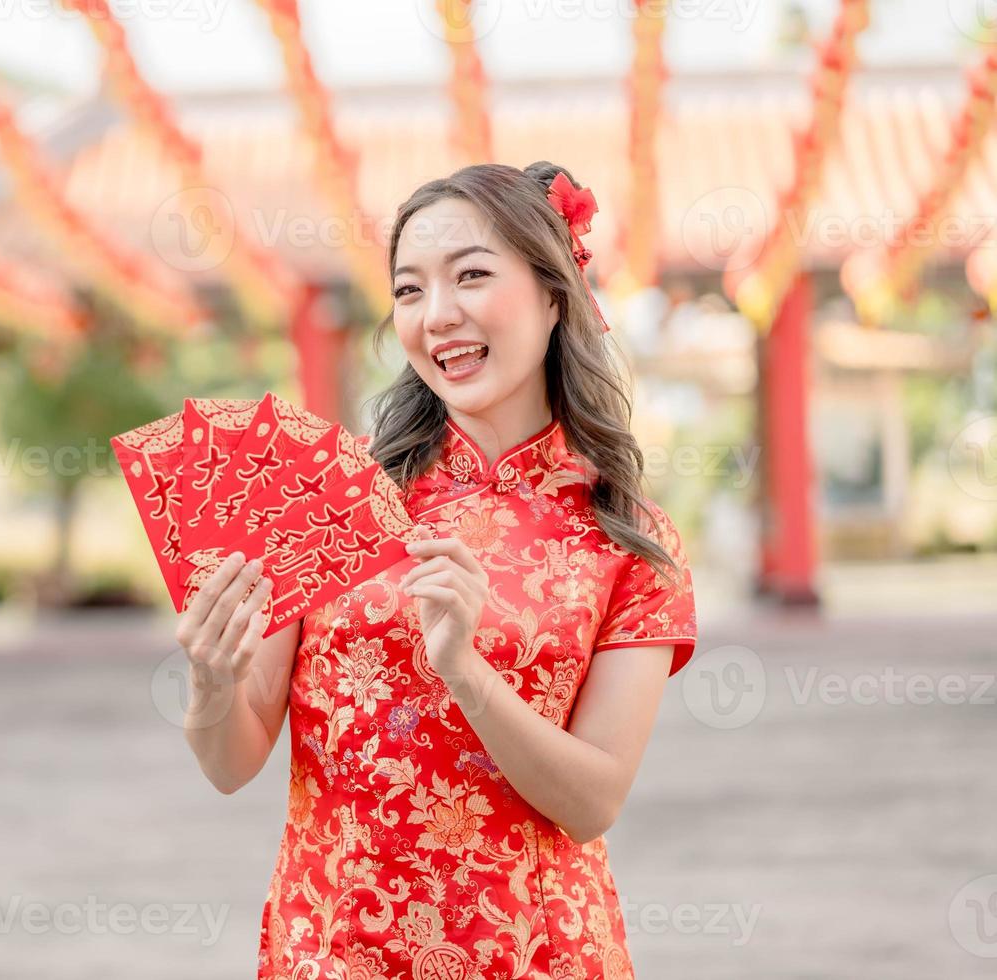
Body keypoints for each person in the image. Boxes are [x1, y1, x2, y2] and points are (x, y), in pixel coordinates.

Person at [175, 161, 697, 980]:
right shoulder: (329, 500)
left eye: (473, 276)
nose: (438, 315)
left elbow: (592, 803)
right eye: (410, 289)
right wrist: (212, 681)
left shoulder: (624, 540)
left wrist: (464, 669)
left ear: (554, 294)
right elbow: (232, 762)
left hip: (537, 955)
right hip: (335, 952)